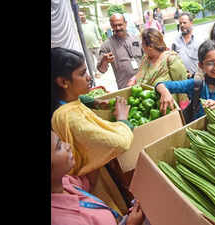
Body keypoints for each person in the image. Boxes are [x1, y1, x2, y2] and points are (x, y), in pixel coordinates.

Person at [51, 47, 134, 215]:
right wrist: (123, 120)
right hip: (92, 181)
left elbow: (78, 100)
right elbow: (120, 142)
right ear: (63, 82)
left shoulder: (64, 103)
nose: (89, 77)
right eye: (82, 74)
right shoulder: (71, 117)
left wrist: (95, 102)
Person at [51, 130, 146, 225]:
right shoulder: (64, 221)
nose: (67, 145)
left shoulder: (63, 181)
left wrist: (98, 151)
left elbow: (87, 183)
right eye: (59, 147)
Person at [155, 40, 215, 122]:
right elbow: (161, 85)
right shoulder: (197, 84)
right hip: (199, 135)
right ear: (201, 65)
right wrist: (165, 92)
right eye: (210, 63)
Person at [133, 28, 189, 108]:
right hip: (149, 107)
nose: (141, 46)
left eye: (143, 43)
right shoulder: (145, 59)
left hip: (169, 108)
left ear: (150, 46)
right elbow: (141, 75)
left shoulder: (171, 59)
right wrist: (135, 79)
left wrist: (184, 108)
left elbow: (182, 85)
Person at [97, 13, 143, 90]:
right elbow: (102, 70)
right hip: (125, 87)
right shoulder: (107, 45)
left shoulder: (137, 39)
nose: (118, 28)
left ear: (126, 23)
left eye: (120, 24)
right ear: (111, 26)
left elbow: (148, 60)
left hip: (143, 82)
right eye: (114, 25)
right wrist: (104, 61)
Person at [171, 12, 203, 78]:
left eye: (184, 23)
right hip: (182, 80)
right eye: (180, 23)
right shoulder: (175, 41)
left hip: (197, 79)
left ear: (191, 23)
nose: (182, 25)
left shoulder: (200, 39)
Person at [79, 11, 103, 79]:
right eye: (80, 16)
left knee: (99, 58)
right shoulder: (78, 25)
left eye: (82, 15)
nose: (81, 17)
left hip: (96, 44)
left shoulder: (92, 23)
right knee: (90, 61)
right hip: (86, 47)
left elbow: (97, 33)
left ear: (85, 15)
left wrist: (100, 41)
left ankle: (101, 70)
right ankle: (96, 72)